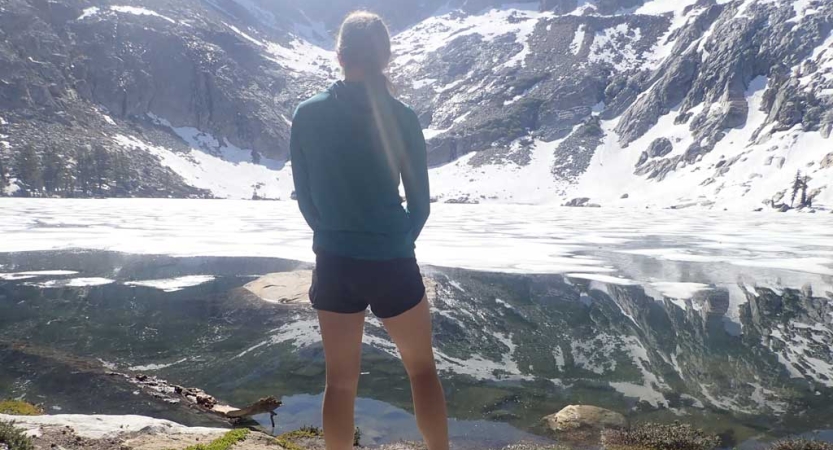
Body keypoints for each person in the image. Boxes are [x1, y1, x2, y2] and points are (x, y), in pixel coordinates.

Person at [289, 11, 449, 450]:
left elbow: (306, 200)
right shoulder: (402, 116)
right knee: (421, 370)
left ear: (339, 56)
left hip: (335, 261)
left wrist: (335, 236)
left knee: (339, 384)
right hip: (392, 259)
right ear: (386, 58)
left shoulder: (307, 115)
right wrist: (394, 241)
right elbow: (420, 205)